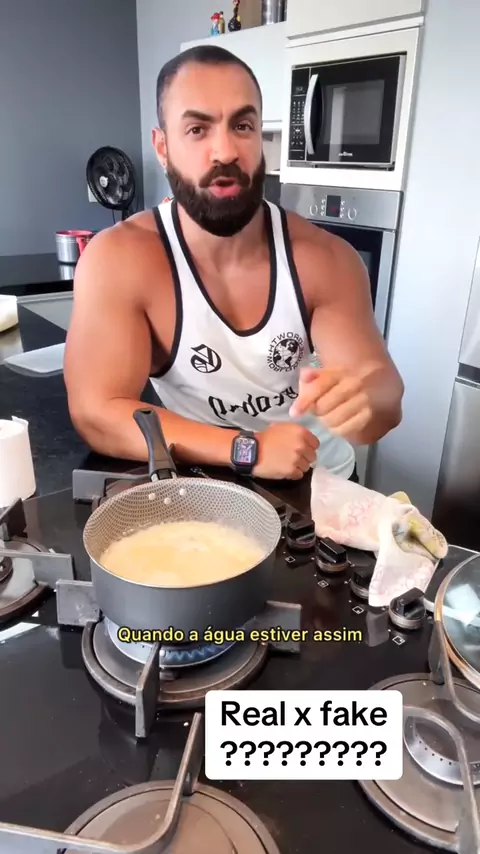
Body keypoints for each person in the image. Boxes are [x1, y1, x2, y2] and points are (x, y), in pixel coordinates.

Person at [64, 45, 404, 482]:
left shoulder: (325, 258)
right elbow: (97, 413)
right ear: (162, 147)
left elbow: (381, 397)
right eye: (197, 129)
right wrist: (248, 449)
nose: (224, 151)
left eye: (242, 126)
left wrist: (370, 402)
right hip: (208, 481)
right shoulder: (120, 260)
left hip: (320, 491)